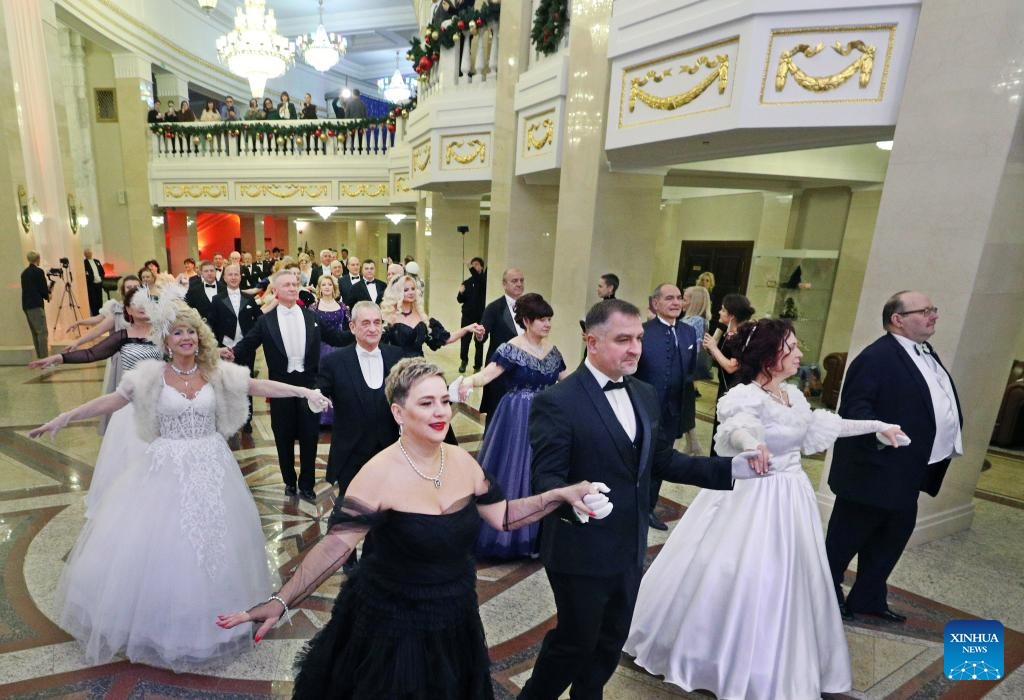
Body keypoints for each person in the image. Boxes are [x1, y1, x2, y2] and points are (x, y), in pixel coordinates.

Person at [216, 357, 610, 698]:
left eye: (444, 401)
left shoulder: (462, 462)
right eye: (426, 403)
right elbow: (335, 547)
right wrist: (282, 600)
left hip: (455, 613)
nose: (441, 412)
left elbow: (503, 516)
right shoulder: (378, 474)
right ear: (399, 413)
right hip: (391, 622)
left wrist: (559, 495)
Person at [30, 302, 330, 672]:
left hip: (213, 467)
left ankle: (214, 622)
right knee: (167, 546)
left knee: (215, 544)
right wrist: (66, 416)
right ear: (166, 340)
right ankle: (162, 627)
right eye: (178, 333)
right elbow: (113, 400)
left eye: (191, 332)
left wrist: (303, 392)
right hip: (165, 468)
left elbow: (257, 384)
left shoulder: (213, 371)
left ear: (199, 337)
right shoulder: (150, 375)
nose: (186, 338)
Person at [624, 318, 906, 699]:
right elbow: (736, 428)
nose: (800, 353)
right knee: (741, 570)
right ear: (770, 356)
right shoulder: (745, 396)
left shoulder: (793, 396)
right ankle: (716, 654)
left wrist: (876, 425)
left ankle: (778, 656)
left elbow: (823, 425)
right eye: (792, 347)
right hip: (752, 493)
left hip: (792, 497)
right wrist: (752, 445)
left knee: (789, 577)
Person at [518, 299, 766, 700]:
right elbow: (545, 478)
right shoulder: (558, 401)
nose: (635, 348)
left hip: (629, 543)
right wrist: (573, 499)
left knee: (610, 640)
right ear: (592, 342)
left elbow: (661, 460)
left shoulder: (645, 393)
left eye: (638, 339)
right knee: (575, 642)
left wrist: (728, 469)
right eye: (623, 340)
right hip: (579, 547)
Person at [825, 291, 961, 623]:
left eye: (933, 309)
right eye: (924, 311)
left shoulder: (924, 351)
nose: (933, 315)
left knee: (892, 537)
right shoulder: (876, 357)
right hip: (873, 472)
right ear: (897, 319)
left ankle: (868, 598)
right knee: (844, 541)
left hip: (908, 470)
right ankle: (824, 596)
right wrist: (880, 432)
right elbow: (856, 408)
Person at [30, 287, 163, 515]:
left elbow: (188, 352)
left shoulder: (164, 333)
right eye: (136, 303)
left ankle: (159, 501)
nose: (142, 307)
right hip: (129, 406)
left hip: (159, 404)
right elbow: (91, 353)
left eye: (146, 302)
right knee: (132, 456)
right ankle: (134, 506)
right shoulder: (122, 336)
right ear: (128, 309)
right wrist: (59, 358)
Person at [226, 270, 351, 503]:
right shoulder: (266, 321)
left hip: (309, 386)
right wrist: (228, 353)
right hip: (279, 388)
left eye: (295, 284)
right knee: (282, 436)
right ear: (276, 291)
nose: (293, 288)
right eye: (287, 285)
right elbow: (248, 344)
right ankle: (289, 482)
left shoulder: (311, 316)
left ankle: (307, 484)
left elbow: (336, 338)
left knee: (309, 436)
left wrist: (359, 333)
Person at [459, 293, 568, 559]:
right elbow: (487, 375)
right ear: (527, 321)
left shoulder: (553, 352)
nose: (547, 324)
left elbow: (567, 382)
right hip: (517, 417)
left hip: (546, 418)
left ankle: (537, 536)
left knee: (540, 470)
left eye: (549, 319)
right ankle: (508, 537)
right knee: (514, 468)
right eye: (542, 319)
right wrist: (466, 382)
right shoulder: (511, 348)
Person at [318, 301, 402, 493]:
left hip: (390, 450)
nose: (373, 328)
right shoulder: (334, 361)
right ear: (352, 327)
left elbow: (415, 391)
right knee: (352, 506)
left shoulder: (396, 355)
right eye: (365, 323)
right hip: (351, 454)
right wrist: (315, 400)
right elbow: (320, 392)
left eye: (377, 322)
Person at [634, 284, 699, 532]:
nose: (676, 303)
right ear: (655, 303)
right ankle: (630, 505)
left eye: (679, 298)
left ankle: (648, 508)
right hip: (643, 409)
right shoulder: (643, 332)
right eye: (669, 298)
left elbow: (690, 370)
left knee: (661, 460)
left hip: (673, 411)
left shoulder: (688, 332)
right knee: (637, 459)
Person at [207, 264, 263, 432]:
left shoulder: (249, 298)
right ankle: (227, 418)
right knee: (226, 384)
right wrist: (216, 347)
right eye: (230, 274)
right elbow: (211, 324)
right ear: (224, 278)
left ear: (240, 277)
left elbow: (259, 321)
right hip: (224, 349)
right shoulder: (217, 299)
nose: (233, 277)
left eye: (236, 274)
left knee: (247, 383)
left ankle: (247, 419)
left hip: (246, 348)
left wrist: (252, 341)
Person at [703, 292, 755, 456]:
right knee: (719, 429)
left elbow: (732, 366)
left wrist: (714, 348)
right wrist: (712, 349)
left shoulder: (742, 336)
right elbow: (721, 358)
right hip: (725, 387)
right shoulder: (729, 333)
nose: (719, 312)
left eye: (723, 310)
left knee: (727, 430)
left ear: (732, 315)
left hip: (734, 390)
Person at [380, 275, 480, 359]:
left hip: (419, 368)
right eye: (406, 290)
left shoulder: (423, 318)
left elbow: (446, 339)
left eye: (413, 289)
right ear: (398, 293)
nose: (411, 292)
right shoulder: (390, 317)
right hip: (397, 368)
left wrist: (467, 329)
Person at [478, 268, 526, 423]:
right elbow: (482, 336)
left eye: (521, 280)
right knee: (496, 414)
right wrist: (479, 335)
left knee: (518, 414)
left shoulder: (529, 307)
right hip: (500, 370)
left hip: (523, 370)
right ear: (504, 284)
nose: (519, 284)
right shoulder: (494, 308)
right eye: (514, 281)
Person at [311, 275, 350, 428]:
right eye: (324, 285)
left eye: (329, 284)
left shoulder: (343, 307)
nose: (327, 287)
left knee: (340, 381)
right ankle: (322, 417)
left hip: (339, 348)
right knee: (322, 381)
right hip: (320, 349)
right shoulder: (313, 308)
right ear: (319, 288)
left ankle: (338, 417)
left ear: (334, 288)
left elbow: (349, 327)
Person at [680, 285, 712, 454]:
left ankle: (693, 444)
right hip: (683, 369)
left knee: (684, 406)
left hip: (685, 369)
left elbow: (695, 347)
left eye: (684, 298)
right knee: (684, 406)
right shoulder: (691, 319)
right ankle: (693, 443)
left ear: (694, 302)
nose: (681, 301)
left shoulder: (697, 321)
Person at [457, 257, 487, 373]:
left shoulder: (484, 280)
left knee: (479, 341)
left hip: (481, 316)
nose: (474, 266)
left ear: (482, 267)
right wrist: (461, 292)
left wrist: (470, 266)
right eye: (473, 264)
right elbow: (460, 300)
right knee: (465, 340)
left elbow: (478, 279)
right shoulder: (467, 282)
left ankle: (477, 366)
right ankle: (463, 361)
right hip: (467, 316)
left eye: (477, 264)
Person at [21, 251, 50, 358]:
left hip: (26, 305)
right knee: (42, 332)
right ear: (37, 259)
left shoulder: (24, 273)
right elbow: (43, 289)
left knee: (35, 332)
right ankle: (45, 359)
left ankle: (40, 358)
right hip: (36, 305)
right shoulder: (38, 271)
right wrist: (48, 295)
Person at [82, 248, 105, 316]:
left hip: (99, 283)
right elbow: (85, 274)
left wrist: (101, 279)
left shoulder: (97, 261)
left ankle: (101, 314)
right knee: (93, 301)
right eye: (87, 253)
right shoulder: (84, 263)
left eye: (90, 252)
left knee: (100, 299)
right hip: (91, 285)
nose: (89, 254)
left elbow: (102, 271)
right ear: (85, 254)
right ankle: (95, 315)